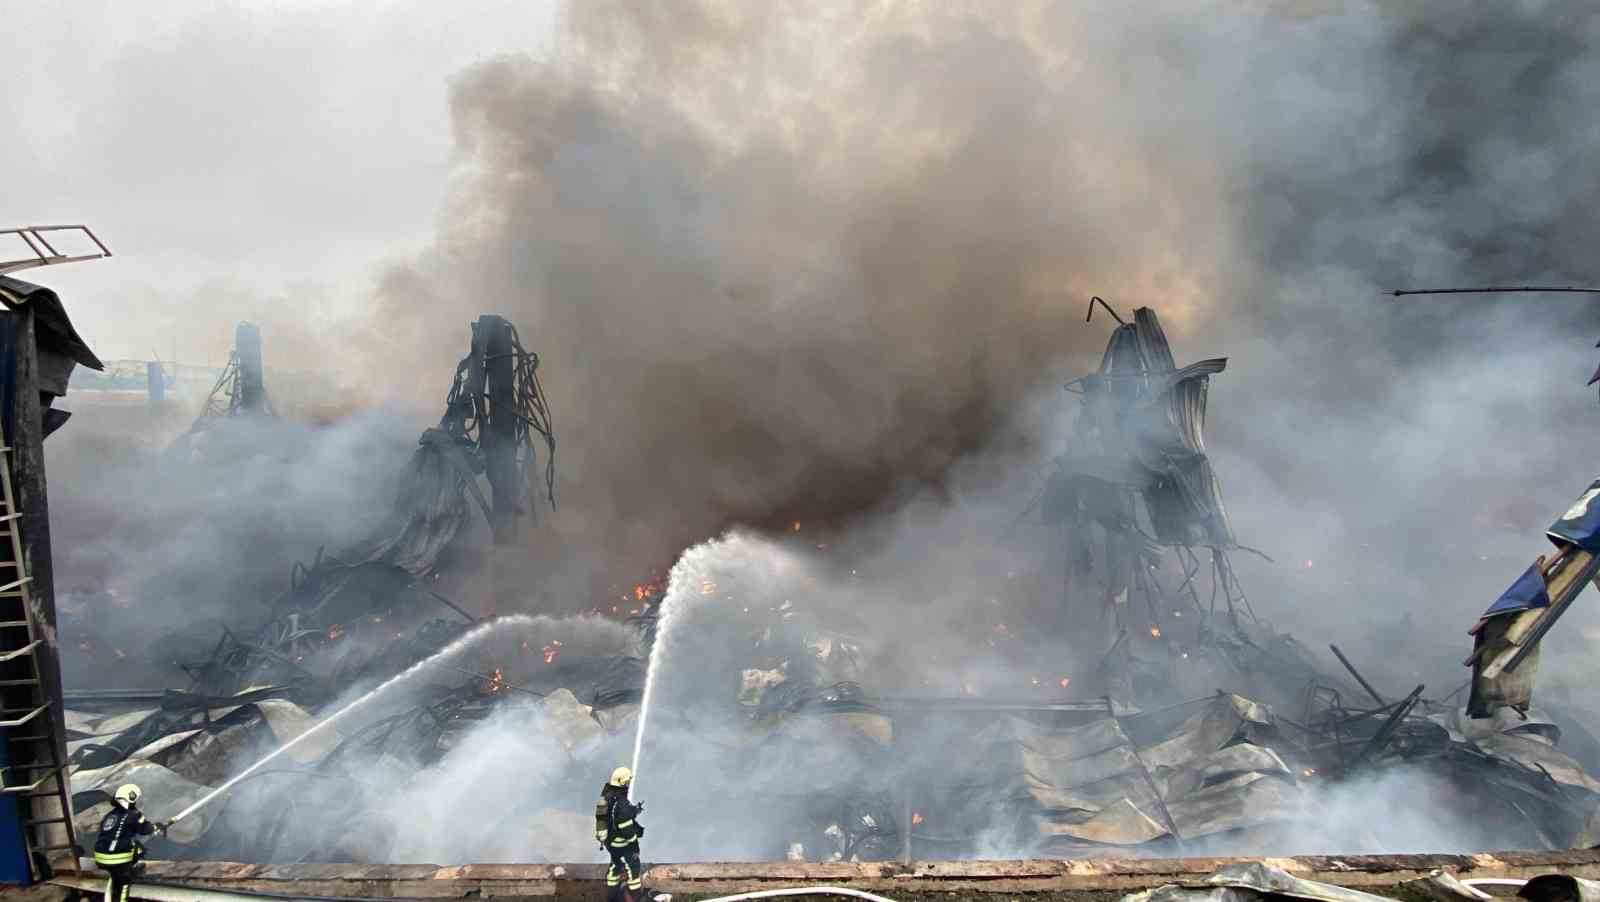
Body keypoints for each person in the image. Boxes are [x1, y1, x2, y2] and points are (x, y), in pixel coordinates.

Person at [93, 784, 165, 902]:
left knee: (134, 845)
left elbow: (111, 833)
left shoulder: (109, 815)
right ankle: (129, 871)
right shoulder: (135, 814)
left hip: (100, 857)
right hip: (117, 860)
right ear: (131, 799)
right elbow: (146, 830)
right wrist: (157, 827)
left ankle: (125, 870)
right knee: (124, 882)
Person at [594, 766, 645, 902]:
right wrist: (635, 846)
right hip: (622, 844)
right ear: (623, 782)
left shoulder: (607, 796)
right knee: (633, 870)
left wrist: (634, 810)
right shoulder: (621, 802)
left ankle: (611, 898)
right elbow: (625, 827)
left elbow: (615, 815)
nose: (629, 784)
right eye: (627, 781)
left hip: (610, 843)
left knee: (615, 867)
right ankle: (635, 898)